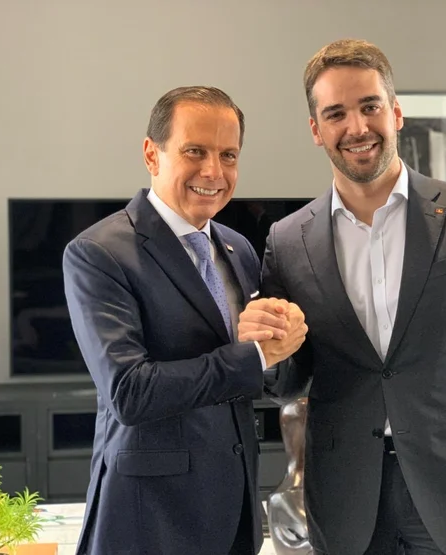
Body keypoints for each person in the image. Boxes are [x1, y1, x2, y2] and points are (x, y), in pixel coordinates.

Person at [238, 39, 446, 555]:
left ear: (396, 112)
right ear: (316, 130)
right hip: (344, 498)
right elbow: (289, 381)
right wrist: (266, 348)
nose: (357, 127)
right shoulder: (289, 240)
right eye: (336, 114)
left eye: (370, 106)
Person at [63, 86, 307, 555]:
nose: (213, 171)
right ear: (151, 154)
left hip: (233, 516)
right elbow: (129, 392)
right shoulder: (97, 253)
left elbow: (263, 376)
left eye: (228, 155)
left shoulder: (238, 248)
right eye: (195, 151)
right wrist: (254, 356)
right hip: (147, 521)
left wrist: (284, 341)